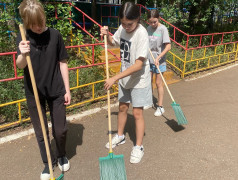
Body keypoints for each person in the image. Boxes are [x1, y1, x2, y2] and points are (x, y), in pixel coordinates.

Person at [16, 0, 71, 179]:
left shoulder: (55, 35)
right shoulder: (23, 36)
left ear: (43, 17)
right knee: (41, 132)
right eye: (33, 25)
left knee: (60, 129)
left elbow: (63, 62)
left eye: (40, 23)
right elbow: (19, 65)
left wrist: (67, 90)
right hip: (34, 92)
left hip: (56, 89)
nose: (38, 27)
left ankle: (61, 154)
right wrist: (23, 54)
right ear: (26, 23)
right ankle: (48, 161)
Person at [100, 2, 152, 164]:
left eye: (130, 24)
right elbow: (113, 43)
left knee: (137, 113)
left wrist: (115, 77)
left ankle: (138, 146)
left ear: (138, 19)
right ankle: (120, 136)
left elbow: (138, 65)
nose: (126, 27)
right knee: (122, 107)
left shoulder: (142, 33)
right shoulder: (122, 28)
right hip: (125, 76)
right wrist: (106, 35)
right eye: (123, 23)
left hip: (139, 79)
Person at [146, 9, 171, 116]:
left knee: (158, 83)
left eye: (154, 22)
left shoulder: (163, 29)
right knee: (149, 82)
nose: (152, 24)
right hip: (149, 59)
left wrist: (159, 57)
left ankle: (160, 107)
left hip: (160, 61)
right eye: (150, 22)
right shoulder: (148, 28)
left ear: (158, 19)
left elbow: (168, 46)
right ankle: (149, 101)